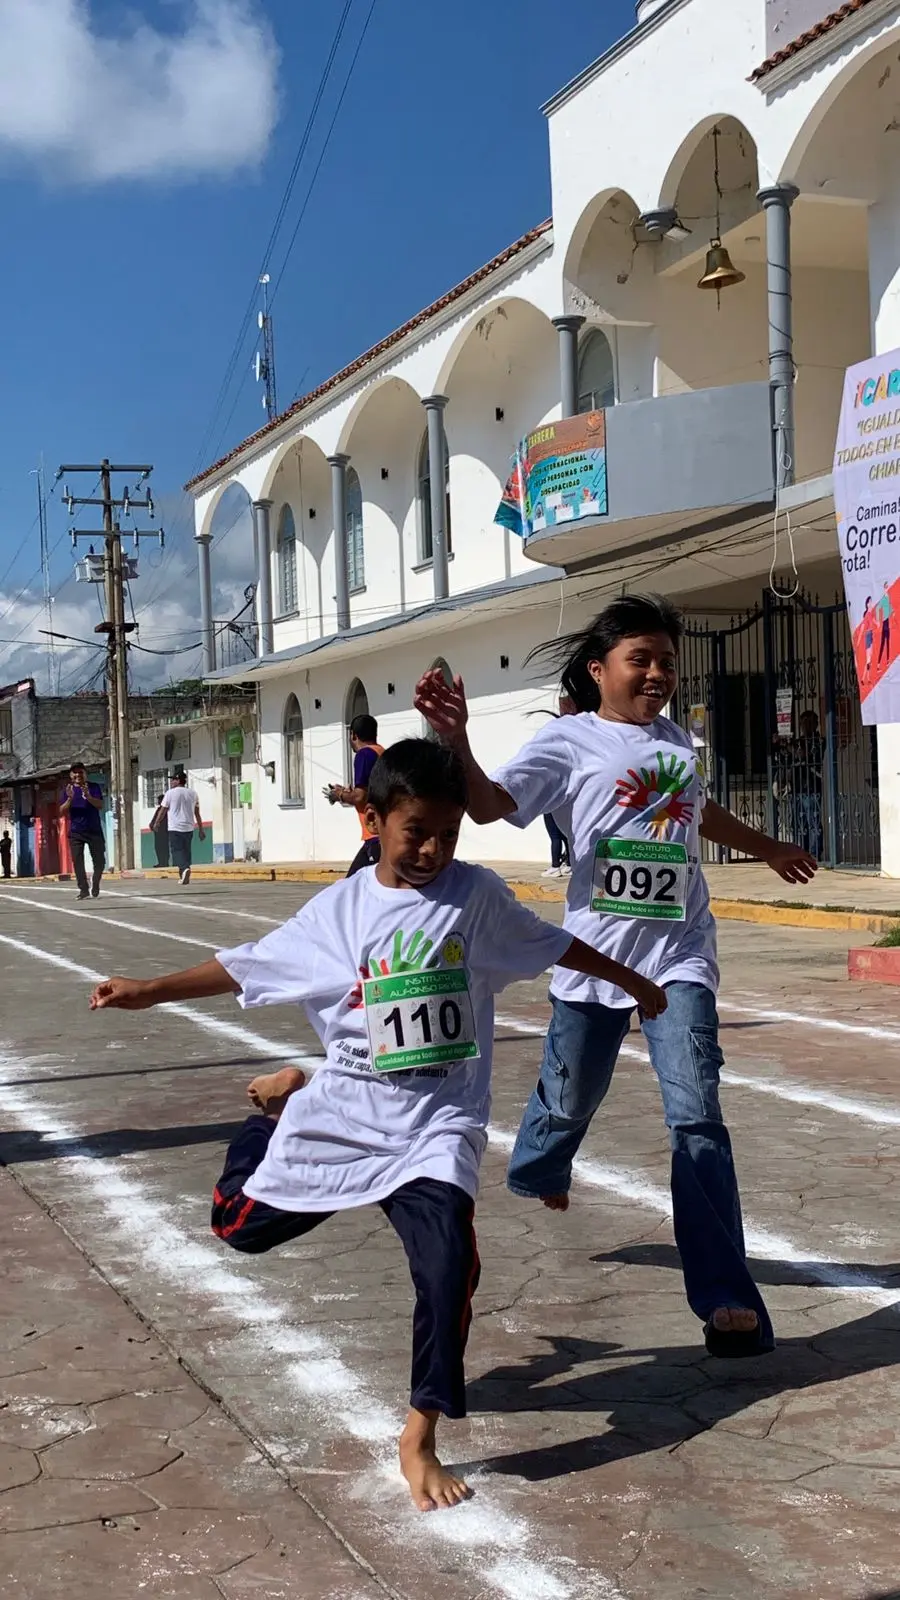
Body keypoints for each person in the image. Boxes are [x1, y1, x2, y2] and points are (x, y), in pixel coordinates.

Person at [89, 737, 665, 1512]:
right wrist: (149, 989)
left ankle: (419, 1434)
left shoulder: (477, 897)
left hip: (437, 1123)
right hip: (348, 1109)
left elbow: (554, 942)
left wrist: (636, 983)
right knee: (238, 1228)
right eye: (414, 831)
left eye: (448, 834)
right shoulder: (339, 912)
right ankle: (287, 1105)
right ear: (374, 819)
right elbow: (248, 965)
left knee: (449, 1264)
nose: (432, 849)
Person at [415, 594, 818, 1360]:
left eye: (668, 660)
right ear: (599, 670)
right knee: (566, 1103)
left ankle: (726, 1299)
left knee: (697, 1116)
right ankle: (539, 1162)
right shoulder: (567, 741)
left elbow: (696, 816)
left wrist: (766, 847)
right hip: (595, 961)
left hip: (679, 957)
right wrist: (458, 739)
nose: (659, 672)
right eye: (643, 659)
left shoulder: (677, 742)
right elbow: (495, 806)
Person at [323, 713, 384, 876]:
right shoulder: (382, 752)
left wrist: (340, 795)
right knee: (353, 882)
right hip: (381, 832)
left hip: (375, 834)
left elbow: (360, 796)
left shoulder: (364, 755)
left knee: (358, 885)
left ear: (354, 735)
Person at [60, 761, 106, 900]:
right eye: (75, 772)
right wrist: (69, 799)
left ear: (85, 774)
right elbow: (62, 811)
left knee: (100, 861)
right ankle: (83, 889)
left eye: (81, 772)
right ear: (71, 775)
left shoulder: (94, 787)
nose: (78, 775)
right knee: (77, 861)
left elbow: (100, 805)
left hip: (94, 830)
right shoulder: (68, 790)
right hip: (76, 832)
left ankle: (95, 881)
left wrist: (89, 797)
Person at [542, 694, 576, 879]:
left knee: (555, 835)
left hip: (552, 802)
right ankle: (568, 863)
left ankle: (556, 865)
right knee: (566, 835)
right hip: (562, 802)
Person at [151, 772, 203, 886]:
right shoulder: (193, 793)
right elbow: (197, 813)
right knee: (186, 851)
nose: (171, 781)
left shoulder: (170, 793)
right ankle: (184, 874)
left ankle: (184, 869)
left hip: (175, 828)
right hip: (189, 827)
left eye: (173, 779)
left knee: (177, 851)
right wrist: (201, 829)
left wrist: (156, 823)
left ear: (179, 781)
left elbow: (163, 810)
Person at [792, 709, 824, 862]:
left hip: (812, 787)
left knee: (813, 821)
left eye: (809, 723)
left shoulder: (818, 741)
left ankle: (815, 853)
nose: (805, 726)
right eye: (803, 723)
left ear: (816, 724)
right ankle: (802, 852)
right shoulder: (798, 741)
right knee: (799, 823)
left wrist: (797, 751)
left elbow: (809, 757)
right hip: (797, 787)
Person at [151, 794, 169, 868]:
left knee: (163, 847)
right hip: (158, 831)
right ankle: (161, 862)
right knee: (158, 847)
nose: (158, 801)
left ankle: (164, 862)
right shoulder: (159, 809)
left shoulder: (165, 810)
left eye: (159, 800)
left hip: (163, 831)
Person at [878, 580, 893, 668]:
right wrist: (879, 622)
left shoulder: (888, 598)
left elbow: (890, 609)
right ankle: (879, 663)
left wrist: (893, 612)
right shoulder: (884, 599)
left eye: (888, 586)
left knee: (888, 642)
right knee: (883, 642)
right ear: (884, 588)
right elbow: (878, 609)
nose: (888, 588)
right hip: (884, 623)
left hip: (888, 622)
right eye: (886, 587)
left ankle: (887, 661)